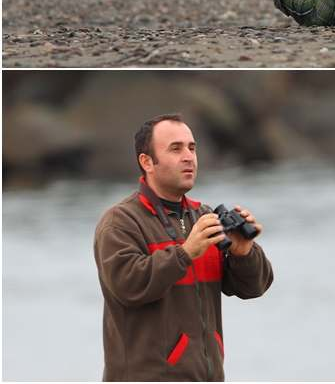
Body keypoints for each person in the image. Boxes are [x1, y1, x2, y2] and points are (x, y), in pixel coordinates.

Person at [93, 113, 274, 381]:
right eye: (175, 149)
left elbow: (253, 288)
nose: (188, 156)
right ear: (147, 162)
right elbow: (128, 286)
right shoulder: (120, 223)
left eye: (192, 147)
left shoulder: (204, 216)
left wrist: (243, 251)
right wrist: (186, 253)